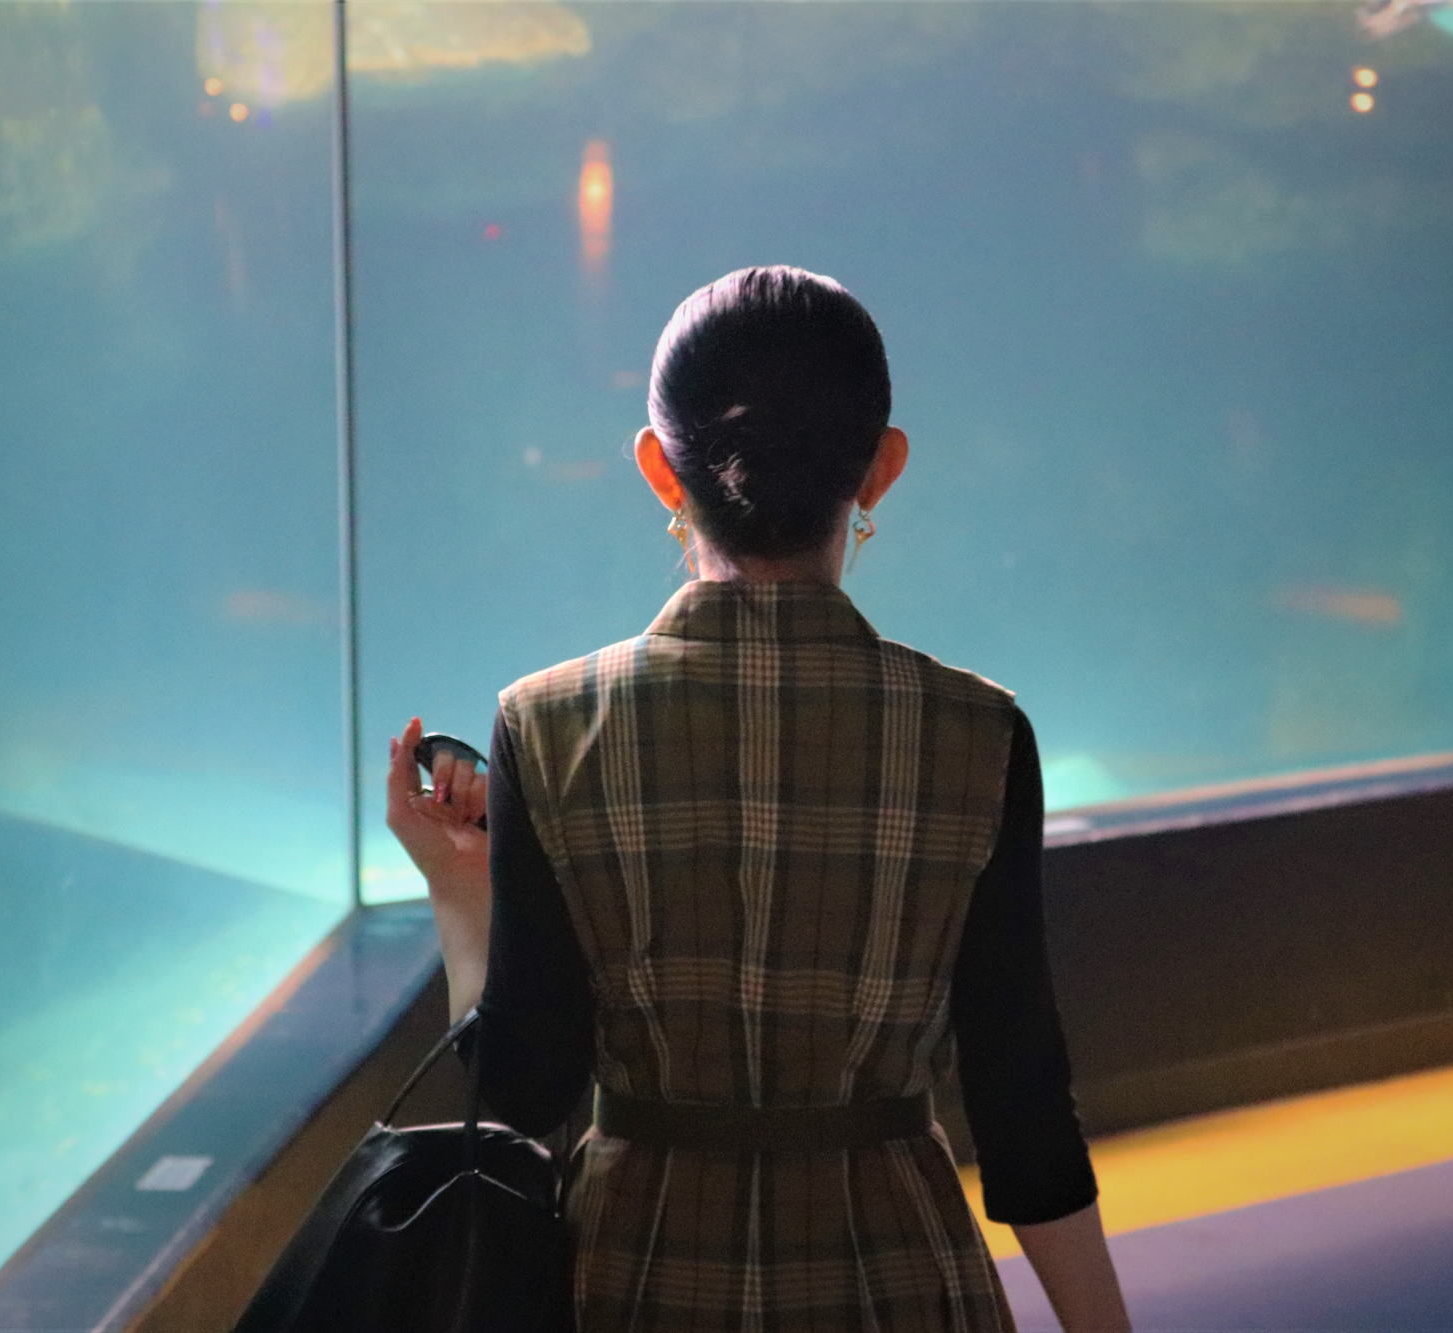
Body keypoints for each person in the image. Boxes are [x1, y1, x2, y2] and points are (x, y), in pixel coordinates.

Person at [384, 265, 1132, 1331]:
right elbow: (1022, 1105)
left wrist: (460, 893)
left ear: (658, 467)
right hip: (899, 1285)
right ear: (880, 469)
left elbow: (523, 1092)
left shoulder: (544, 727)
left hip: (633, 1280)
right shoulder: (979, 734)